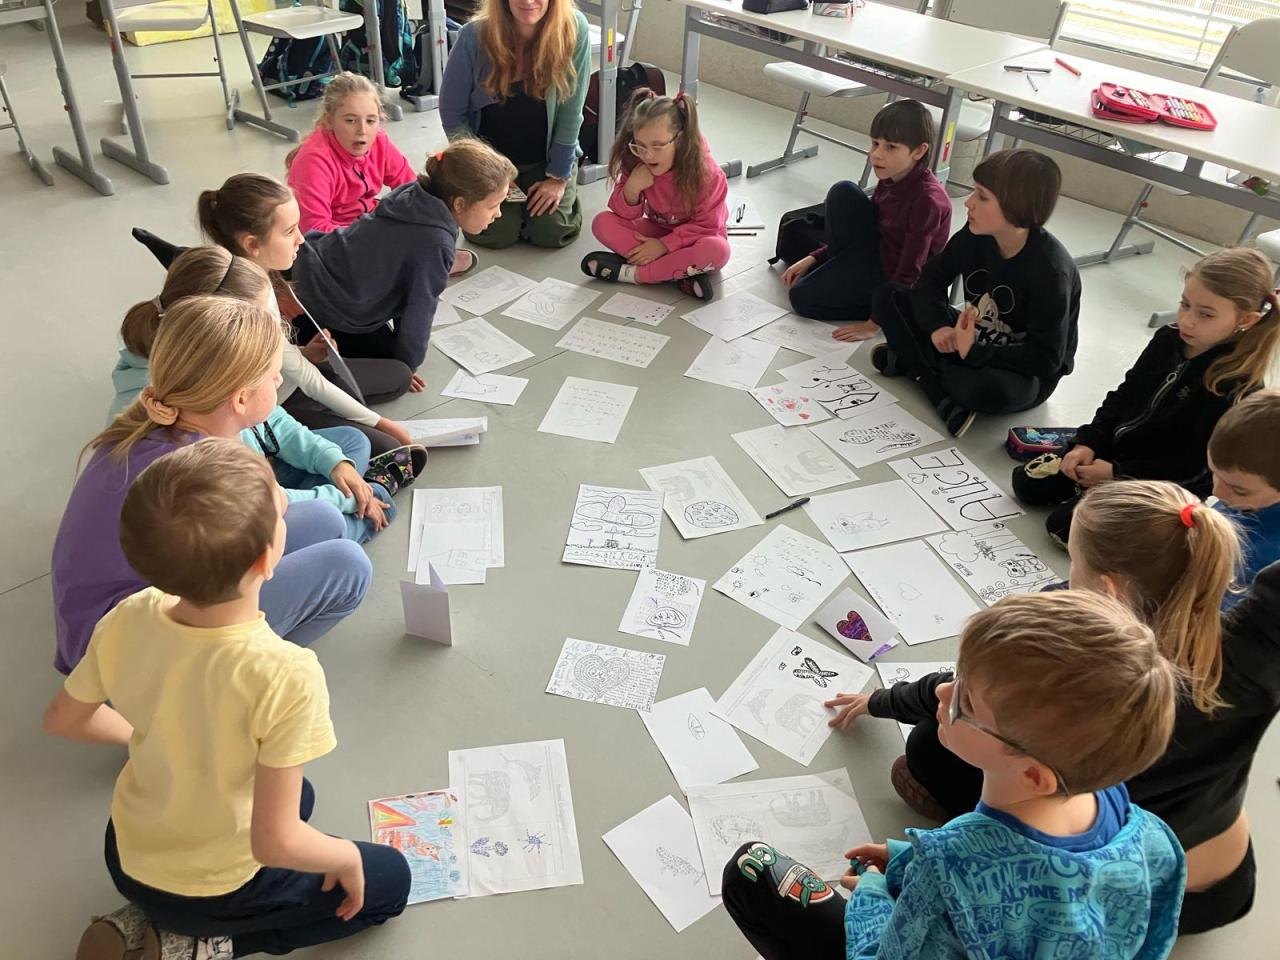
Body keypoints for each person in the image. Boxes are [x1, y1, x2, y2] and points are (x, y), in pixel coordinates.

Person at [831, 481, 1271, 935]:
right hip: (1222, 886)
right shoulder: (1254, 648)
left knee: (931, 744)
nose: (1066, 578)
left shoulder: (1086, 670)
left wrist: (882, 701)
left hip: (1105, 904)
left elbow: (966, 689)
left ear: (1108, 589)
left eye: (1073, 562)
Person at [46, 439, 410, 960]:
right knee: (389, 881)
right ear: (267, 558)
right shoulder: (286, 674)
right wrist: (344, 857)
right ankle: (202, 942)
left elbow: (64, 719)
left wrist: (147, 737)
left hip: (125, 852)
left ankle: (148, 917)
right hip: (214, 887)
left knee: (299, 795)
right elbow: (273, 842)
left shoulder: (131, 612)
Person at [722, 591, 1184, 960]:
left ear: (1032, 773)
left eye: (966, 700)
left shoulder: (949, 866)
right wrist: (907, 858)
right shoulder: (1148, 831)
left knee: (750, 870)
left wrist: (874, 895)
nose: (943, 690)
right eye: (956, 676)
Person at [53, 296, 371, 676]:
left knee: (325, 518)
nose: (280, 380)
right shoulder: (207, 471)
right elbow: (272, 511)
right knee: (349, 565)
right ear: (241, 398)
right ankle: (237, 683)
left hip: (120, 620)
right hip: (134, 663)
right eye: (274, 375)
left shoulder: (162, 423)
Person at [1012, 246, 1279, 545]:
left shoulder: (1235, 387)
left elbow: (1197, 473)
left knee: (1065, 529)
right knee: (1027, 484)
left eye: (1205, 314)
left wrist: (1117, 474)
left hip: (1158, 484)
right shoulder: (1168, 338)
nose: (1187, 320)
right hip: (1116, 452)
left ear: (1245, 320)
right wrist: (1088, 441)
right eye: (1185, 304)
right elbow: (1123, 395)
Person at [190, 173, 420, 457]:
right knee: (390, 448)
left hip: (291, 379)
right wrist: (381, 422)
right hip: (277, 403)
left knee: (399, 375)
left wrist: (304, 353)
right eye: (289, 232)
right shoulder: (246, 304)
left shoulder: (258, 275)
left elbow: (286, 360)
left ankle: (334, 416)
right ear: (252, 245)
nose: (301, 238)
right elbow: (310, 381)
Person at [871, 148, 1080, 438]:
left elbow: (1046, 360)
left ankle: (916, 366)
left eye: (982, 196)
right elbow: (930, 279)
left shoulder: (1051, 272)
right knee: (889, 296)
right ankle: (936, 386)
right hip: (970, 337)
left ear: (1016, 207)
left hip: (1020, 370)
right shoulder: (975, 234)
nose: (968, 203)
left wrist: (974, 351)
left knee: (990, 391)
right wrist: (938, 326)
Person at [292, 139, 516, 368]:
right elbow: (418, 311)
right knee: (396, 374)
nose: (498, 214)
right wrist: (408, 365)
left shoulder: (413, 193)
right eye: (493, 206)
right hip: (328, 306)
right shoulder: (435, 244)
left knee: (392, 350)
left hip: (310, 261)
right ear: (459, 204)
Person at [781, 99, 952, 342]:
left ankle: (886, 306)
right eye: (875, 143)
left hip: (898, 280)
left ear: (919, 151)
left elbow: (911, 270)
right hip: (877, 253)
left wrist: (876, 322)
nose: (877, 154)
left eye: (891, 147)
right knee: (843, 191)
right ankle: (839, 273)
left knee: (801, 298)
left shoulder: (927, 201)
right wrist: (814, 257)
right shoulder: (891, 175)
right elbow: (872, 231)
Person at [439, 0, 590, 248]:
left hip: (546, 159)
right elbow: (452, 112)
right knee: (495, 233)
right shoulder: (473, 36)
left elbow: (571, 112)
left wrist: (558, 177)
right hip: (491, 161)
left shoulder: (574, 28)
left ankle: (558, 198)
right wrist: (484, 170)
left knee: (552, 231)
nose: (528, 1)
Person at [579, 89, 729, 302]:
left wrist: (663, 246)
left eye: (657, 146)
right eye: (640, 145)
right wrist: (632, 188)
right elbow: (623, 215)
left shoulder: (708, 174)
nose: (647, 155)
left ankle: (634, 274)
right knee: (602, 223)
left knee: (718, 251)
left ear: (680, 140)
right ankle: (677, 272)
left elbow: (708, 226)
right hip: (656, 231)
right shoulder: (637, 160)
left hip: (694, 238)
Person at [285, 72, 416, 234]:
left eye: (370, 121)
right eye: (350, 121)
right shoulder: (313, 161)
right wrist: (375, 235)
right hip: (331, 239)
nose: (362, 130)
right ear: (330, 120)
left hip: (366, 223)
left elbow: (411, 188)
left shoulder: (379, 141)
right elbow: (315, 230)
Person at [1208, 388, 1280, 598]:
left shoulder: (1272, 562)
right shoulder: (1236, 502)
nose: (1217, 493)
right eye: (1214, 474)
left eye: (1239, 490)